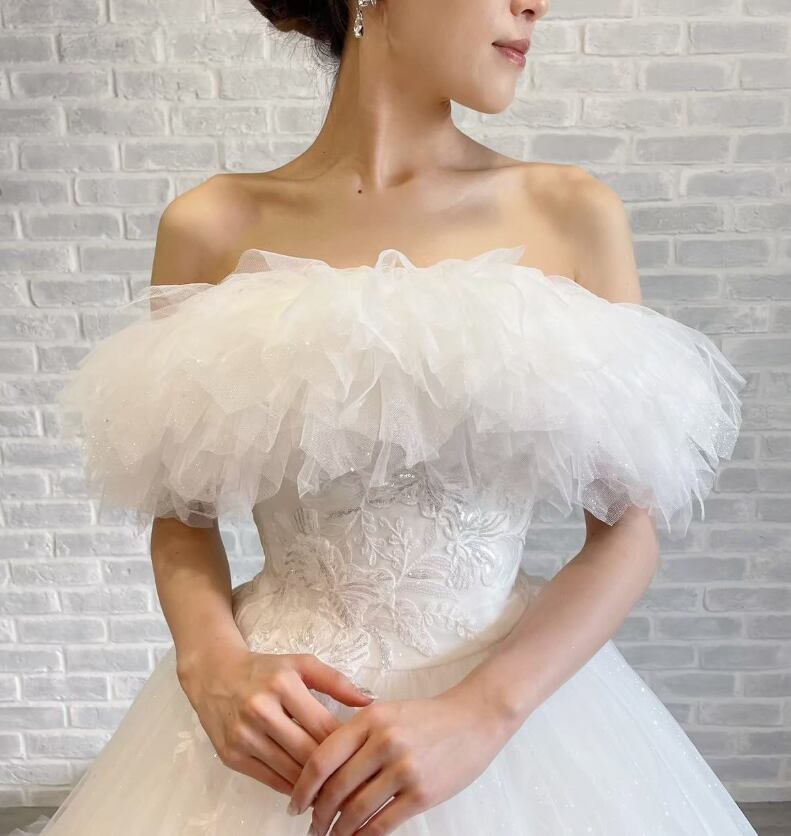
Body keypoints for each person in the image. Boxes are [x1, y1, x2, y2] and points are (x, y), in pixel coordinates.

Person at [13, 0, 758, 834]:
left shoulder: (569, 211)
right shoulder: (210, 226)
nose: (535, 3)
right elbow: (181, 517)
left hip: (504, 723)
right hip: (281, 734)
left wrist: (483, 714)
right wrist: (211, 665)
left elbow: (626, 531)